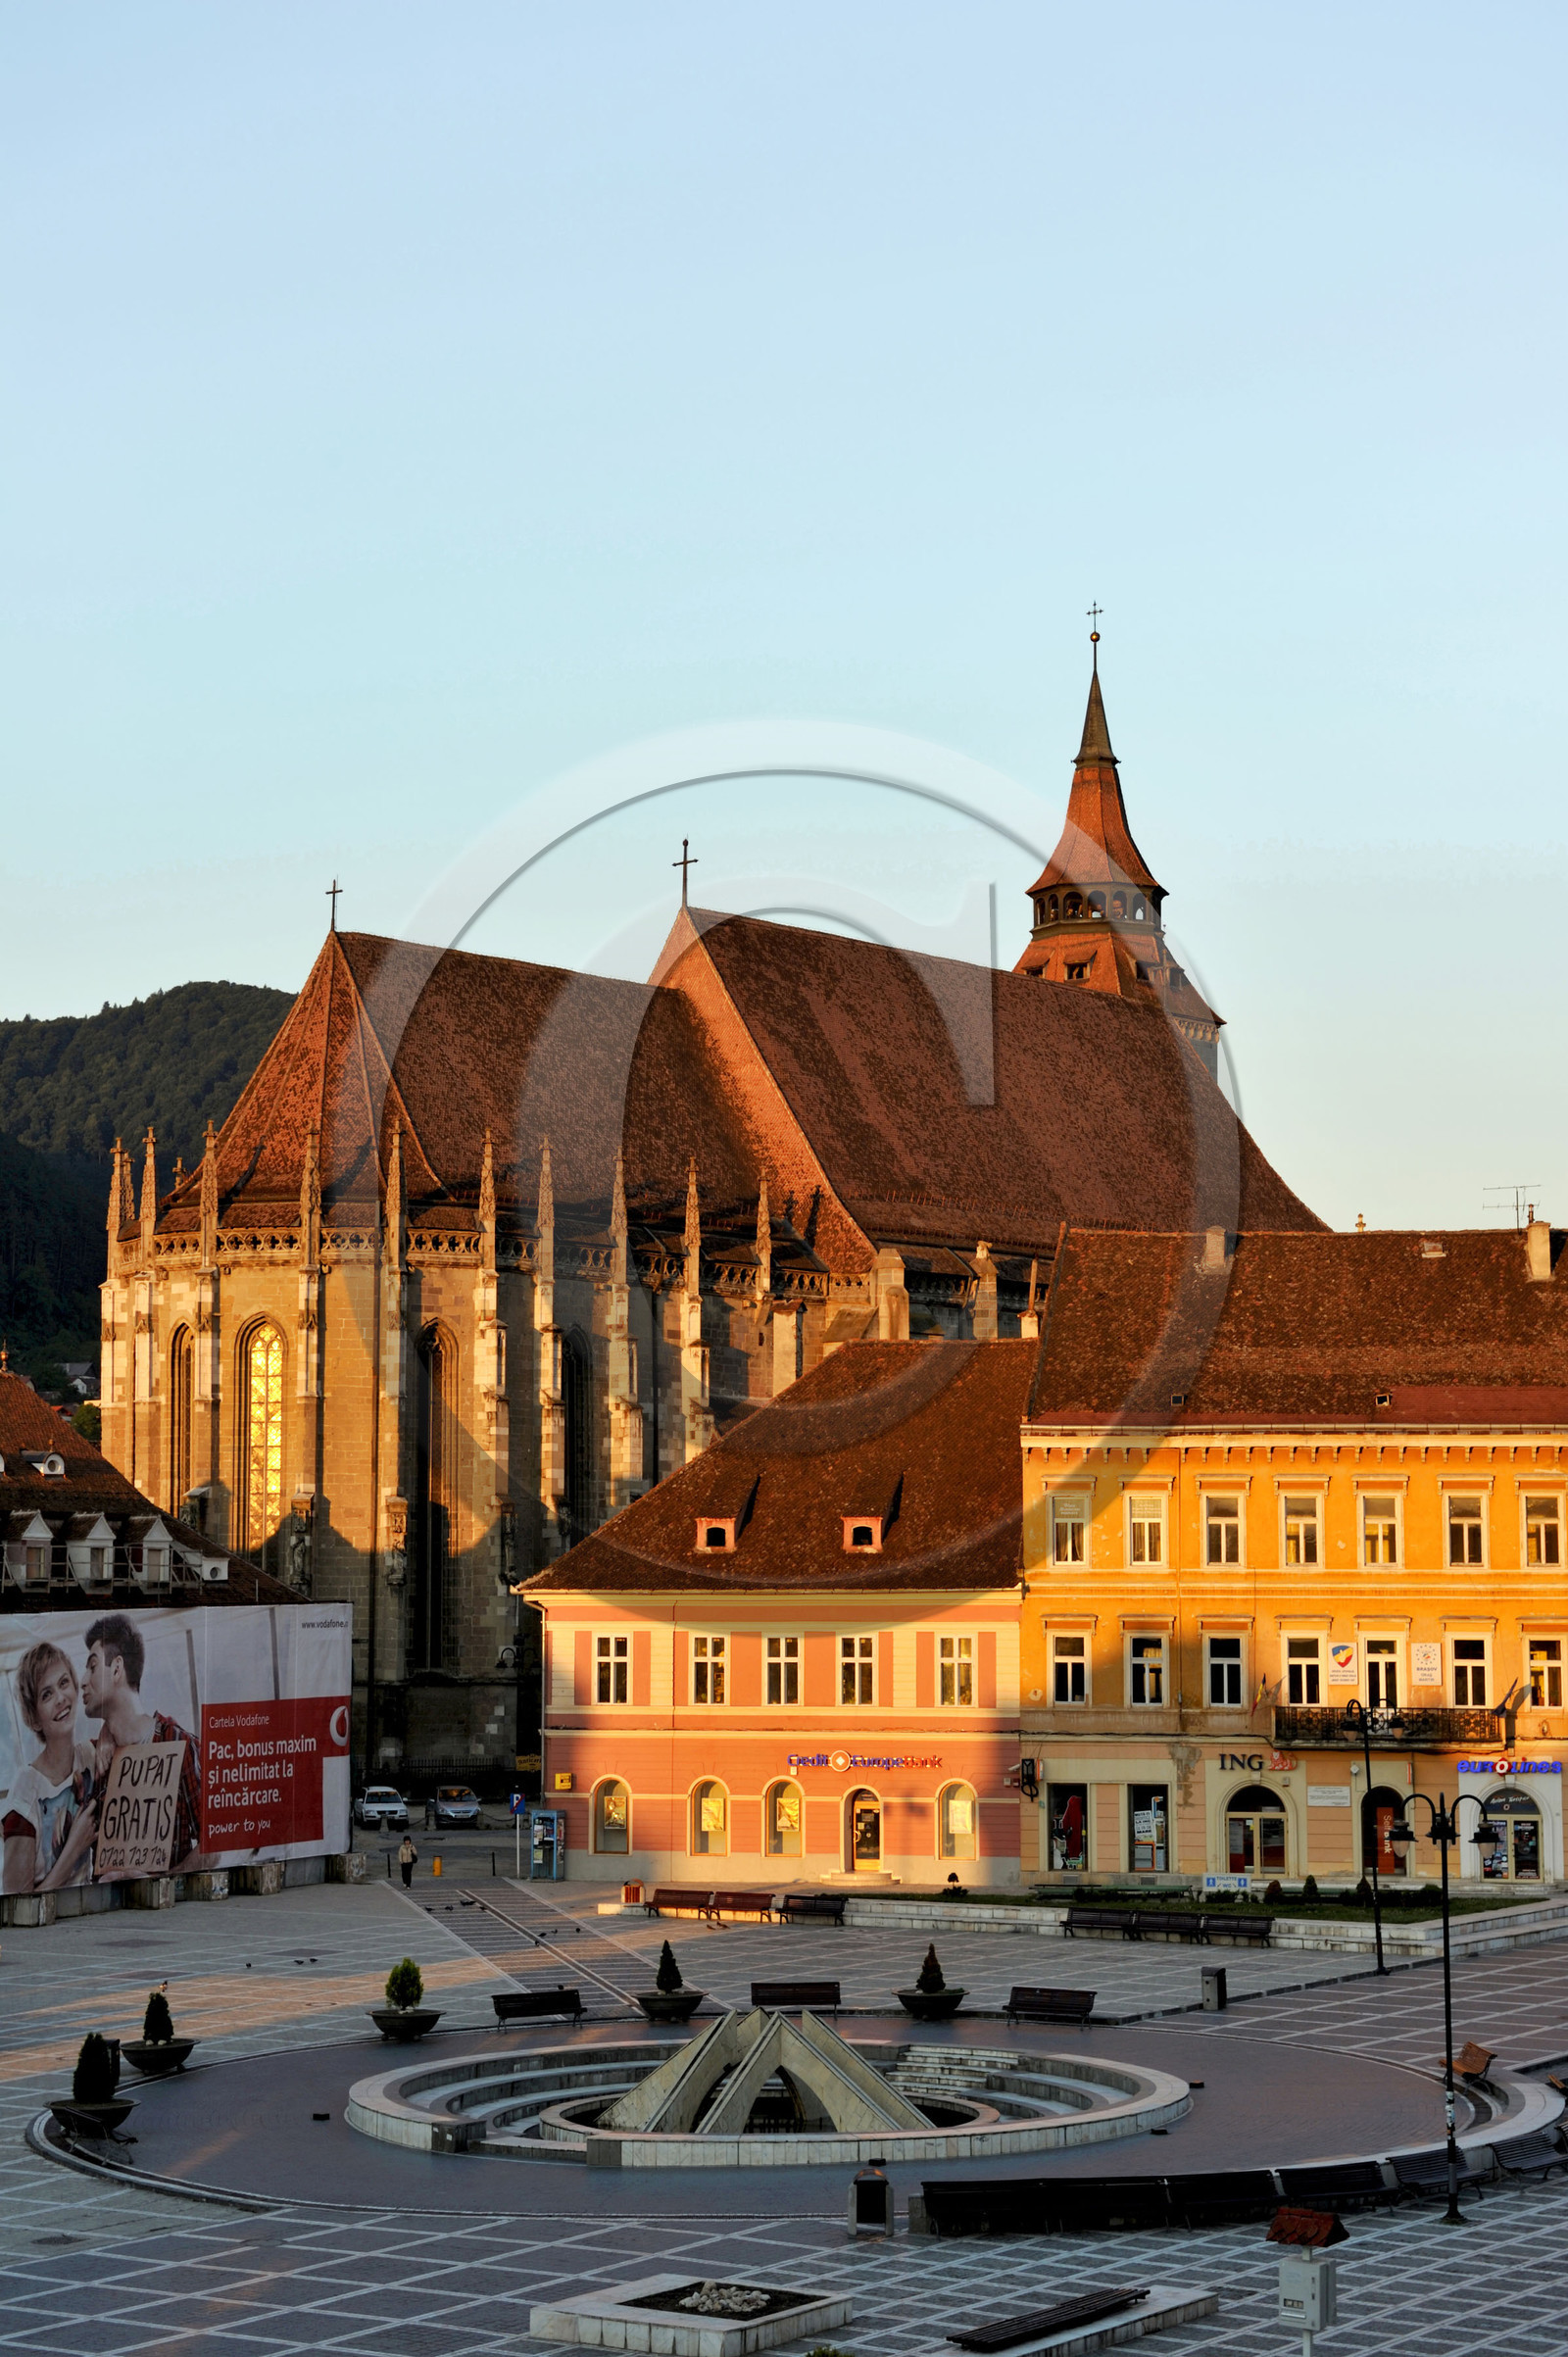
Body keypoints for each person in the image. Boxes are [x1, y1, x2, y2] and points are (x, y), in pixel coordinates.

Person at [80, 1613, 203, 1873]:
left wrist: (162, 1883)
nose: (82, 1681)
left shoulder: (180, 1744)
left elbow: (215, 1842)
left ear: (116, 1669)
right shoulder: (90, 1760)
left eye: (92, 1667)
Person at [2, 1643, 99, 1894]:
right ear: (33, 1718)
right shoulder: (25, 1793)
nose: (60, 1699)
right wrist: (75, 1847)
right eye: (46, 1694)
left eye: (64, 1683)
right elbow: (15, 1904)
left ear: (76, 1688)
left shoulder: (89, 1757)